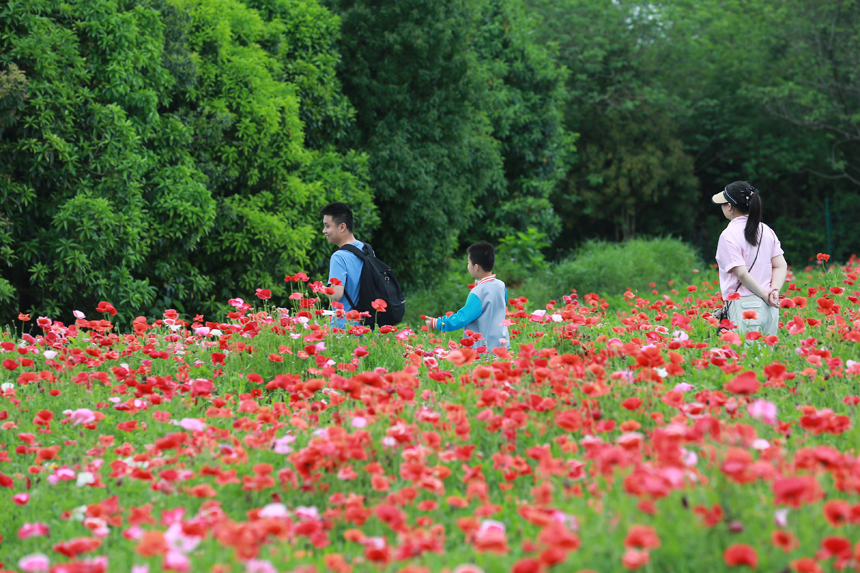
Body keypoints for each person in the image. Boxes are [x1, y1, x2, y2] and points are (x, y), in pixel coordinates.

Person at [712, 181, 787, 336]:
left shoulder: (728, 235)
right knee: (767, 358)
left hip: (746, 307)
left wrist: (763, 294)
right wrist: (773, 291)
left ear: (730, 207)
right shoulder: (767, 230)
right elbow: (780, 265)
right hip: (771, 308)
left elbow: (741, 273)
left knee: (747, 358)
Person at [425, 242, 510, 350]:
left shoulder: (477, 293)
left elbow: (462, 318)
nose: (467, 265)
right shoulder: (501, 285)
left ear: (476, 267)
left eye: (468, 262)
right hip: (502, 347)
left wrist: (438, 323)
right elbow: (495, 306)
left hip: (483, 352)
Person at [320, 202, 363, 328]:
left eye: (327, 226)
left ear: (342, 227)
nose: (324, 231)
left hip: (344, 329)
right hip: (365, 326)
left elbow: (337, 294)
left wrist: (319, 288)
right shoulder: (366, 250)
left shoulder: (339, 257)